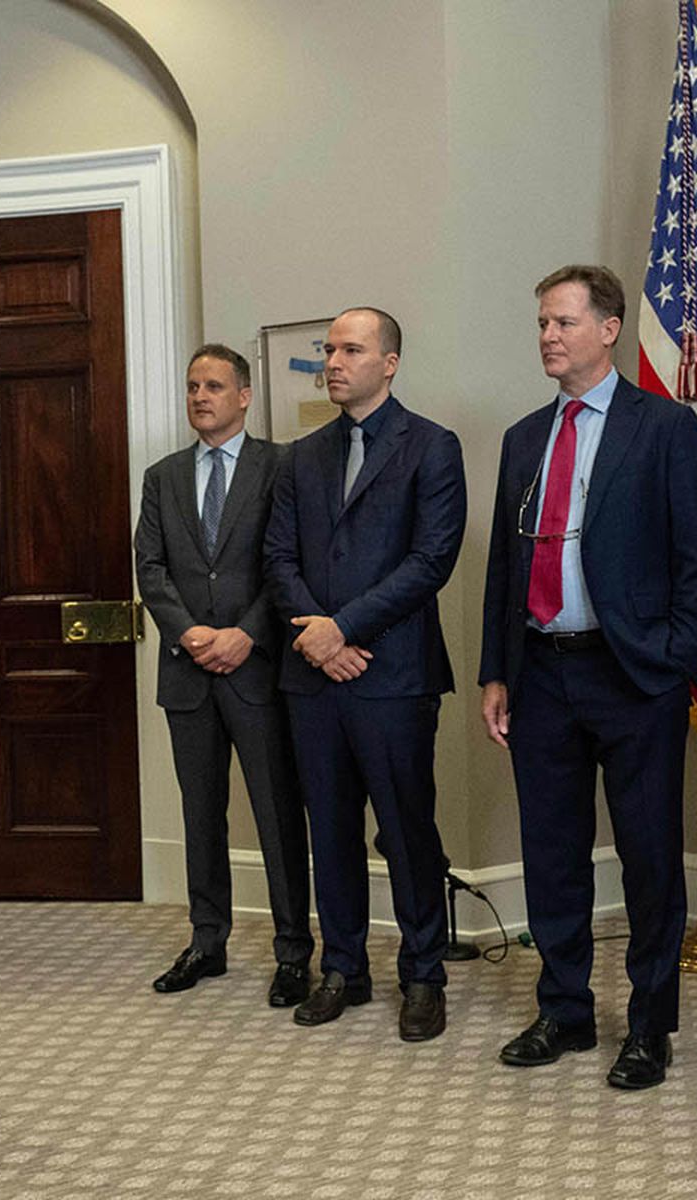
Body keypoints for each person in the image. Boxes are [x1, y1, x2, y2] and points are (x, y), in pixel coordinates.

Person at [478, 265, 697, 1090]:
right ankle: (565, 1011)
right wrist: (495, 671)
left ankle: (649, 1026)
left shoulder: (664, 428)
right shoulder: (522, 438)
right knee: (551, 854)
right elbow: (503, 570)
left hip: (633, 677)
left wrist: (677, 662)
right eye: (542, 323)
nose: (548, 336)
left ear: (609, 328)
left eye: (563, 323)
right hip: (541, 673)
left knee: (650, 858)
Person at [262, 306, 464, 1041]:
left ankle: (424, 974)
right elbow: (277, 560)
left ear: (391, 362)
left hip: (394, 675)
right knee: (332, 829)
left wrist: (344, 628)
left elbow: (430, 561)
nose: (334, 361)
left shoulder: (432, 447)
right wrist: (318, 638)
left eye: (352, 349)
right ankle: (342, 966)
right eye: (328, 350)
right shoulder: (300, 456)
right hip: (313, 677)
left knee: (408, 833)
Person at [135, 343, 313, 1006]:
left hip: (257, 668)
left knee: (275, 814)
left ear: (243, 396)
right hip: (188, 673)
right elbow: (150, 569)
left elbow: (288, 564)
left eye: (213, 386)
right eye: (191, 387)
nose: (199, 397)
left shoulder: (281, 467)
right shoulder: (163, 477)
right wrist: (189, 633)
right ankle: (207, 941)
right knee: (201, 813)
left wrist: (246, 634)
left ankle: (294, 951)